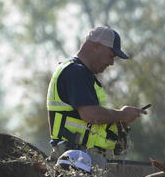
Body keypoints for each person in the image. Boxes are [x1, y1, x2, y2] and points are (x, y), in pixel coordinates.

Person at [46, 26, 147, 159]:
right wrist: (122, 115)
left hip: (78, 156)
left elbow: (90, 120)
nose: (112, 63)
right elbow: (90, 114)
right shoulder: (76, 72)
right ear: (97, 46)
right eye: (111, 55)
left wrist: (119, 121)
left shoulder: (79, 72)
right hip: (75, 159)